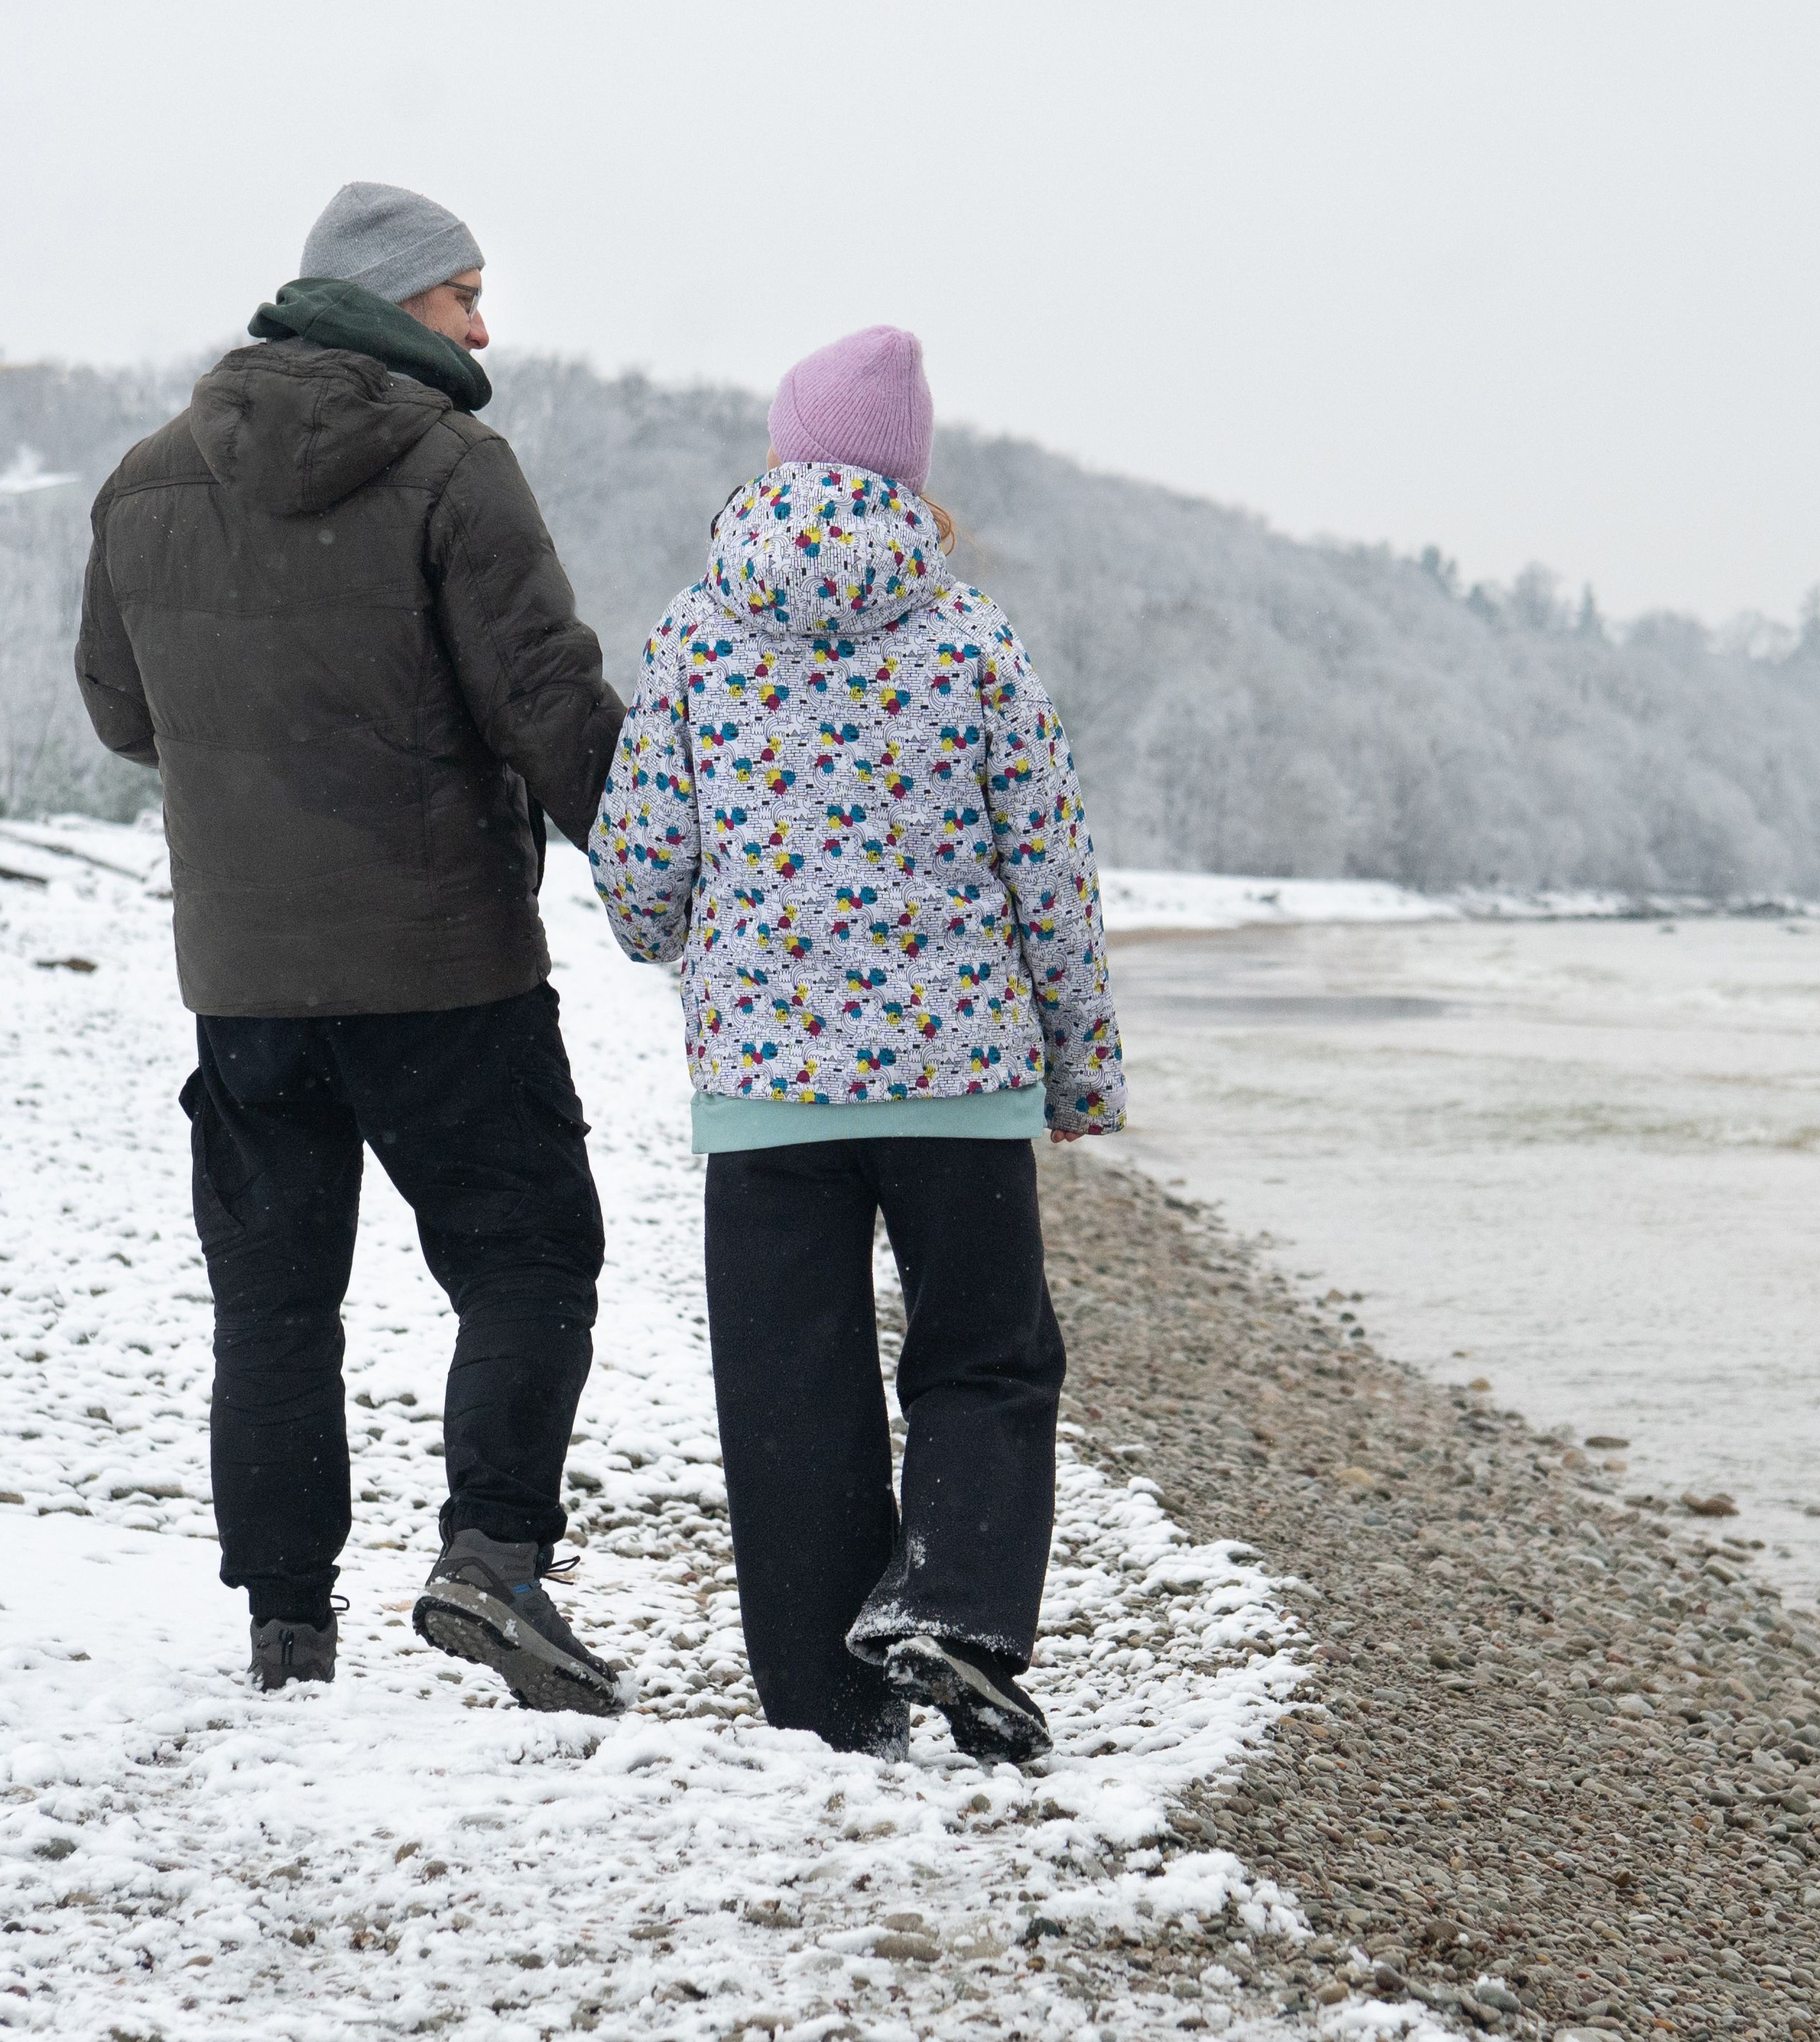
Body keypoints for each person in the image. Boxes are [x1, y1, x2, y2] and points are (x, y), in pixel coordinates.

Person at [77, 181, 630, 1711]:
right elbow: (553, 708)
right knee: (528, 1260)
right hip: (446, 966)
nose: (485, 324)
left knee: (274, 1302)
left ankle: (286, 1624)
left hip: (246, 982)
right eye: (464, 296)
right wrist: (672, 873)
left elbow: (125, 716)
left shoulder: (145, 482)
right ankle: (494, 1557)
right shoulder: (458, 472)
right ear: (394, 305)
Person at [591, 324, 1124, 1760]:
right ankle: (952, 1601)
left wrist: (682, 941)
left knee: (789, 1385)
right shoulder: (971, 638)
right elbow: (1051, 874)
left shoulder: (698, 633)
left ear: (779, 456)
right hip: (959, 1082)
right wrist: (1078, 1069)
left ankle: (828, 1702)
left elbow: (642, 865)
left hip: (767, 1092)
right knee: (984, 1355)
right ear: (912, 476)